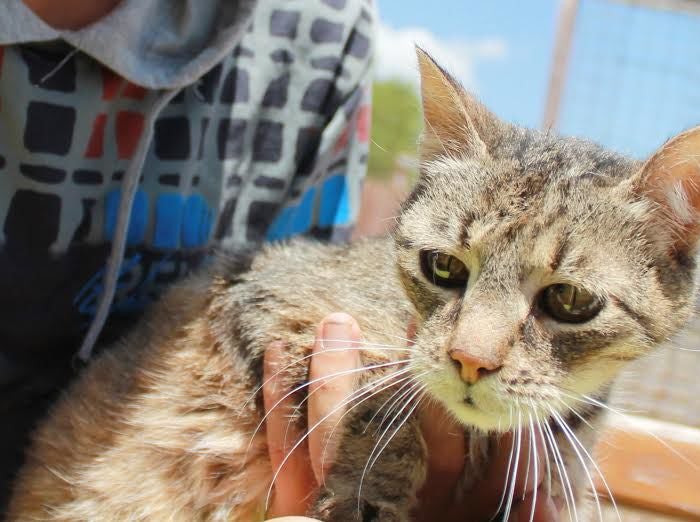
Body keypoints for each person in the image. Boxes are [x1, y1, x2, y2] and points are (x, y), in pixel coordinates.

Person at [0, 1, 558, 519]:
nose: (476, 348)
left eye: (567, 299)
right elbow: (269, 306)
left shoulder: (323, 29)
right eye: (448, 269)